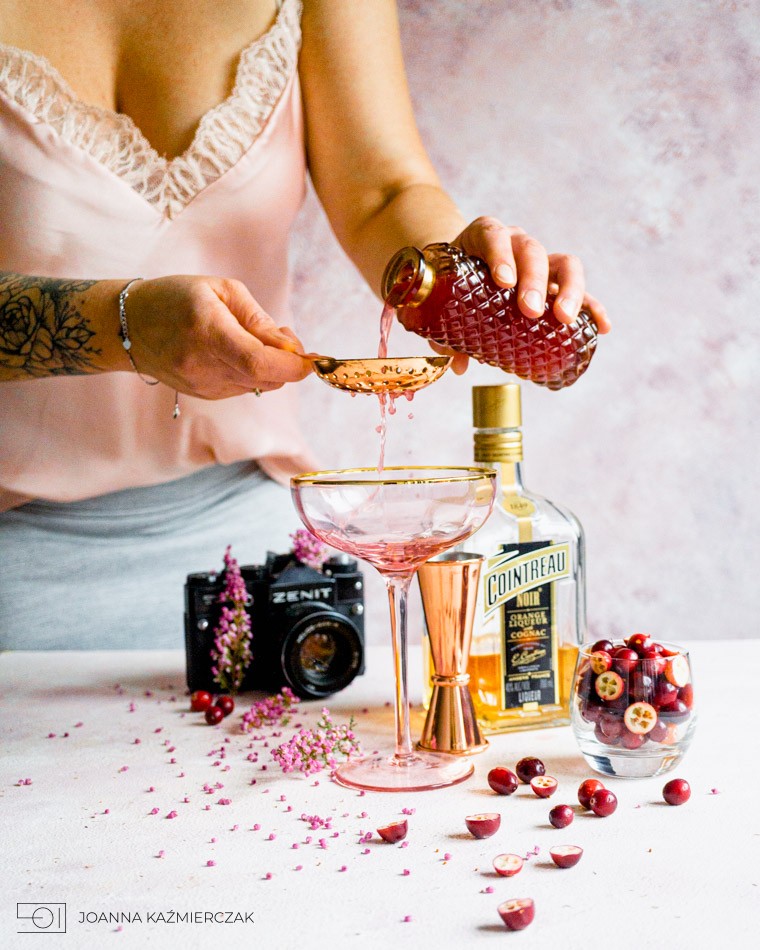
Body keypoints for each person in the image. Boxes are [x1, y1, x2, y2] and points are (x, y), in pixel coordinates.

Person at [0, 0, 609, 649]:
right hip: (19, 564)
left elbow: (383, 192)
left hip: (268, 554)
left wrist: (458, 274)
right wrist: (122, 326)